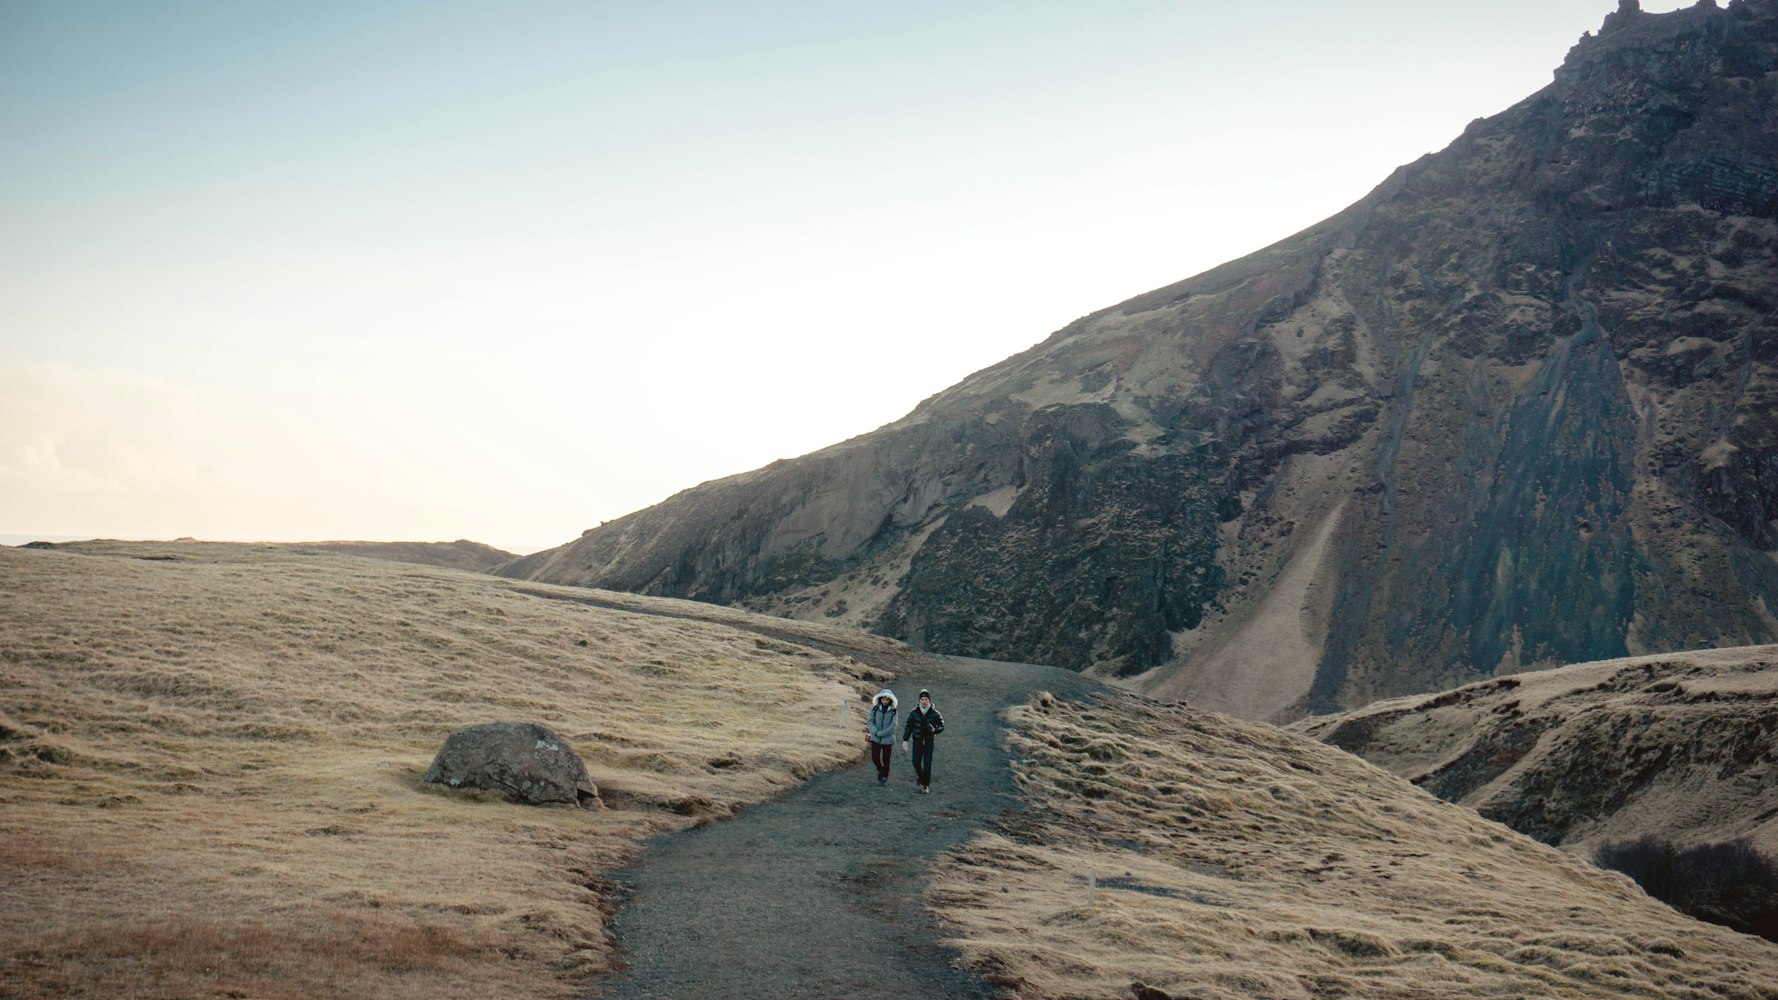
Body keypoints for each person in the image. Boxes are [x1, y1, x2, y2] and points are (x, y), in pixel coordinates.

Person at [901, 689, 944, 794]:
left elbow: (941, 725)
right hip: (917, 742)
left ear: (929, 701)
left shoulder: (935, 713)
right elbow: (908, 727)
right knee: (915, 763)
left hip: (929, 742)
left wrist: (935, 730)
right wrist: (905, 740)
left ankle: (925, 785)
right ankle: (921, 777)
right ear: (919, 700)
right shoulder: (914, 713)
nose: (924, 701)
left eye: (926, 699)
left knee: (927, 764)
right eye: (922, 699)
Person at [867, 689, 898, 784]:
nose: (885, 701)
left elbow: (893, 725)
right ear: (880, 699)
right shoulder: (874, 709)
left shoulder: (894, 711)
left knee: (886, 759)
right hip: (875, 738)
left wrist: (882, 733)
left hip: (888, 739)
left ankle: (885, 776)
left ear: (890, 701)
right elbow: (870, 721)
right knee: (875, 757)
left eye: (887, 700)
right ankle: (881, 771)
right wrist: (876, 731)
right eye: (883, 699)